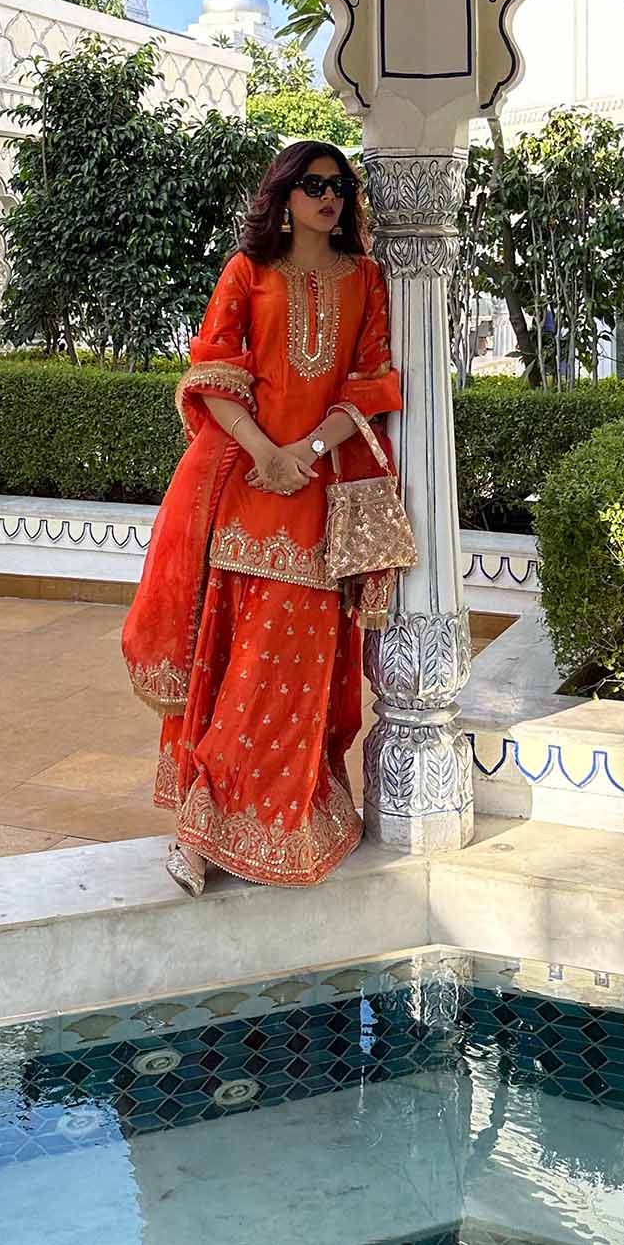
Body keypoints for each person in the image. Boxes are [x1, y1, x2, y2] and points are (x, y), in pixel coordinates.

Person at [121, 141, 403, 896]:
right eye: (314, 185)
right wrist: (264, 452)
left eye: (339, 186)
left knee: (292, 666)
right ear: (283, 195)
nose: (329, 197)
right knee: (234, 660)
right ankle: (203, 825)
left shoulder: (365, 280)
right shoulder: (248, 272)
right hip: (246, 491)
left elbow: (371, 385)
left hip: (316, 493)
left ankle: (270, 819)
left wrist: (303, 451)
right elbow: (213, 367)